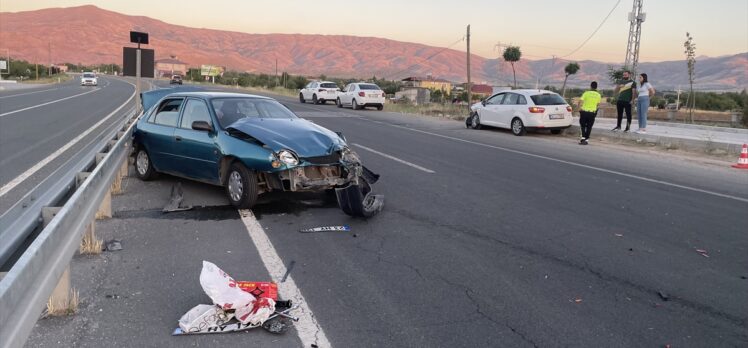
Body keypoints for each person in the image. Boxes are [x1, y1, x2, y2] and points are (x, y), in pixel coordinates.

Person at [577, 81, 602, 145]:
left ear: (590, 86)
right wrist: (595, 111)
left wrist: (579, 108)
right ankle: (587, 139)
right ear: (596, 87)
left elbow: (580, 101)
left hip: (584, 112)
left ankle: (583, 138)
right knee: (589, 126)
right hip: (592, 113)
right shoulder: (598, 95)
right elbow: (598, 104)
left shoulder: (586, 93)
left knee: (582, 125)